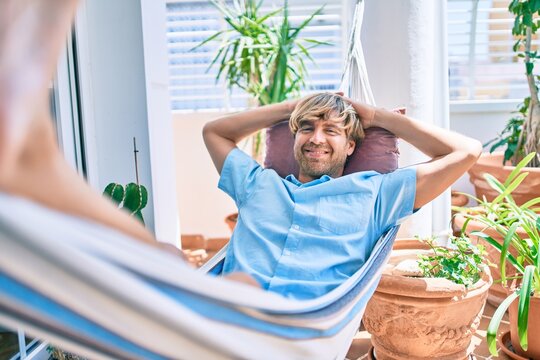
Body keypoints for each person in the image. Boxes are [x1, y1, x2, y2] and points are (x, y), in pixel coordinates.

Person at [203, 93, 482, 300]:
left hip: (305, 331)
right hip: (226, 317)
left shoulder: (376, 194)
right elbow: (214, 132)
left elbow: (467, 151)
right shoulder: (257, 183)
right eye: (307, 128)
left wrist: (377, 117)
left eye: (331, 131)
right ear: (295, 138)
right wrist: (291, 107)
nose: (316, 139)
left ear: (350, 146)